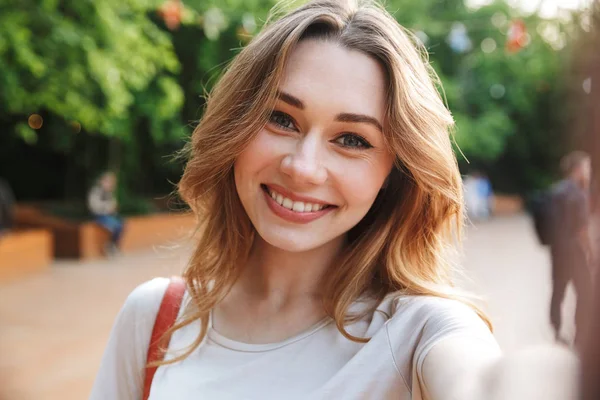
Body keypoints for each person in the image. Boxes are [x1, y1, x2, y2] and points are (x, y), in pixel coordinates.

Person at [90, 1, 574, 399]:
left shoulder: (420, 332)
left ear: (395, 173)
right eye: (281, 118)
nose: (302, 167)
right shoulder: (155, 317)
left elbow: (482, 382)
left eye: (353, 140)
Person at [547, 151, 594, 346]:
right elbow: (582, 229)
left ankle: (557, 332)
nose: (588, 172)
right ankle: (579, 334)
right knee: (585, 292)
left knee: (558, 291)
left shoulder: (555, 191)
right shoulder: (579, 193)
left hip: (558, 250)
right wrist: (590, 251)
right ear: (577, 169)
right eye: (587, 167)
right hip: (575, 251)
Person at [88, 171, 124, 256]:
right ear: (102, 181)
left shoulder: (109, 193)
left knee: (122, 223)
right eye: (108, 182)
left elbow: (113, 205)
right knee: (116, 225)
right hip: (98, 215)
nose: (110, 185)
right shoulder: (96, 192)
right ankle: (110, 246)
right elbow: (94, 206)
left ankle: (113, 245)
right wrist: (108, 207)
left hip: (108, 215)